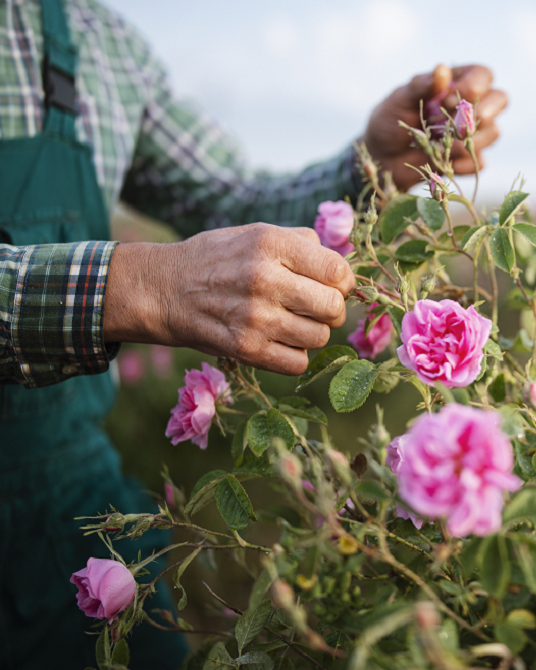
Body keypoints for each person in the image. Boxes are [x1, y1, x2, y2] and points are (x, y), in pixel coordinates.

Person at [0, 0, 507, 667]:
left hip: (62, 493)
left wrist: (372, 165)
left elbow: (229, 199)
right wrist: (138, 286)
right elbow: (159, 273)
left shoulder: (97, 41)